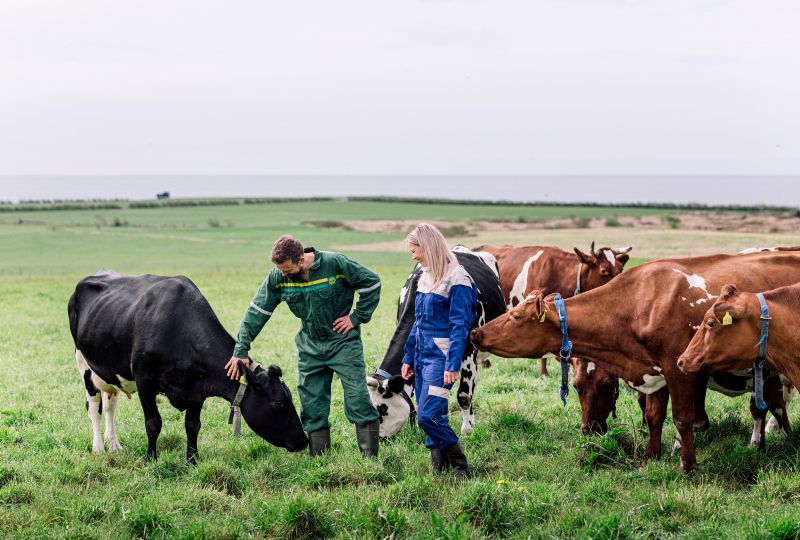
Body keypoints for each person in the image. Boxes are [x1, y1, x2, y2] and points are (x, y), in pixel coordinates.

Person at [225, 235, 382, 457]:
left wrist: (356, 317)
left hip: (343, 344)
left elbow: (372, 282)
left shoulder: (335, 264)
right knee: (312, 404)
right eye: (280, 269)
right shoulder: (278, 277)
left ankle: (369, 460)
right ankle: (320, 458)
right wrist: (241, 350)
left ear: (301, 260)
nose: (283, 274)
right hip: (310, 348)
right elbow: (257, 311)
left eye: (287, 269)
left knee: (357, 398)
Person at [400, 223, 477, 477]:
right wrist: (409, 357)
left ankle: (460, 465)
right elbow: (417, 322)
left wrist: (452, 364)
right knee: (430, 412)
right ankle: (439, 466)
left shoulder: (459, 278)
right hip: (421, 358)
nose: (413, 256)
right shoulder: (425, 276)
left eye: (414, 250)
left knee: (427, 417)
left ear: (428, 246)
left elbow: (460, 326)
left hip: (440, 359)